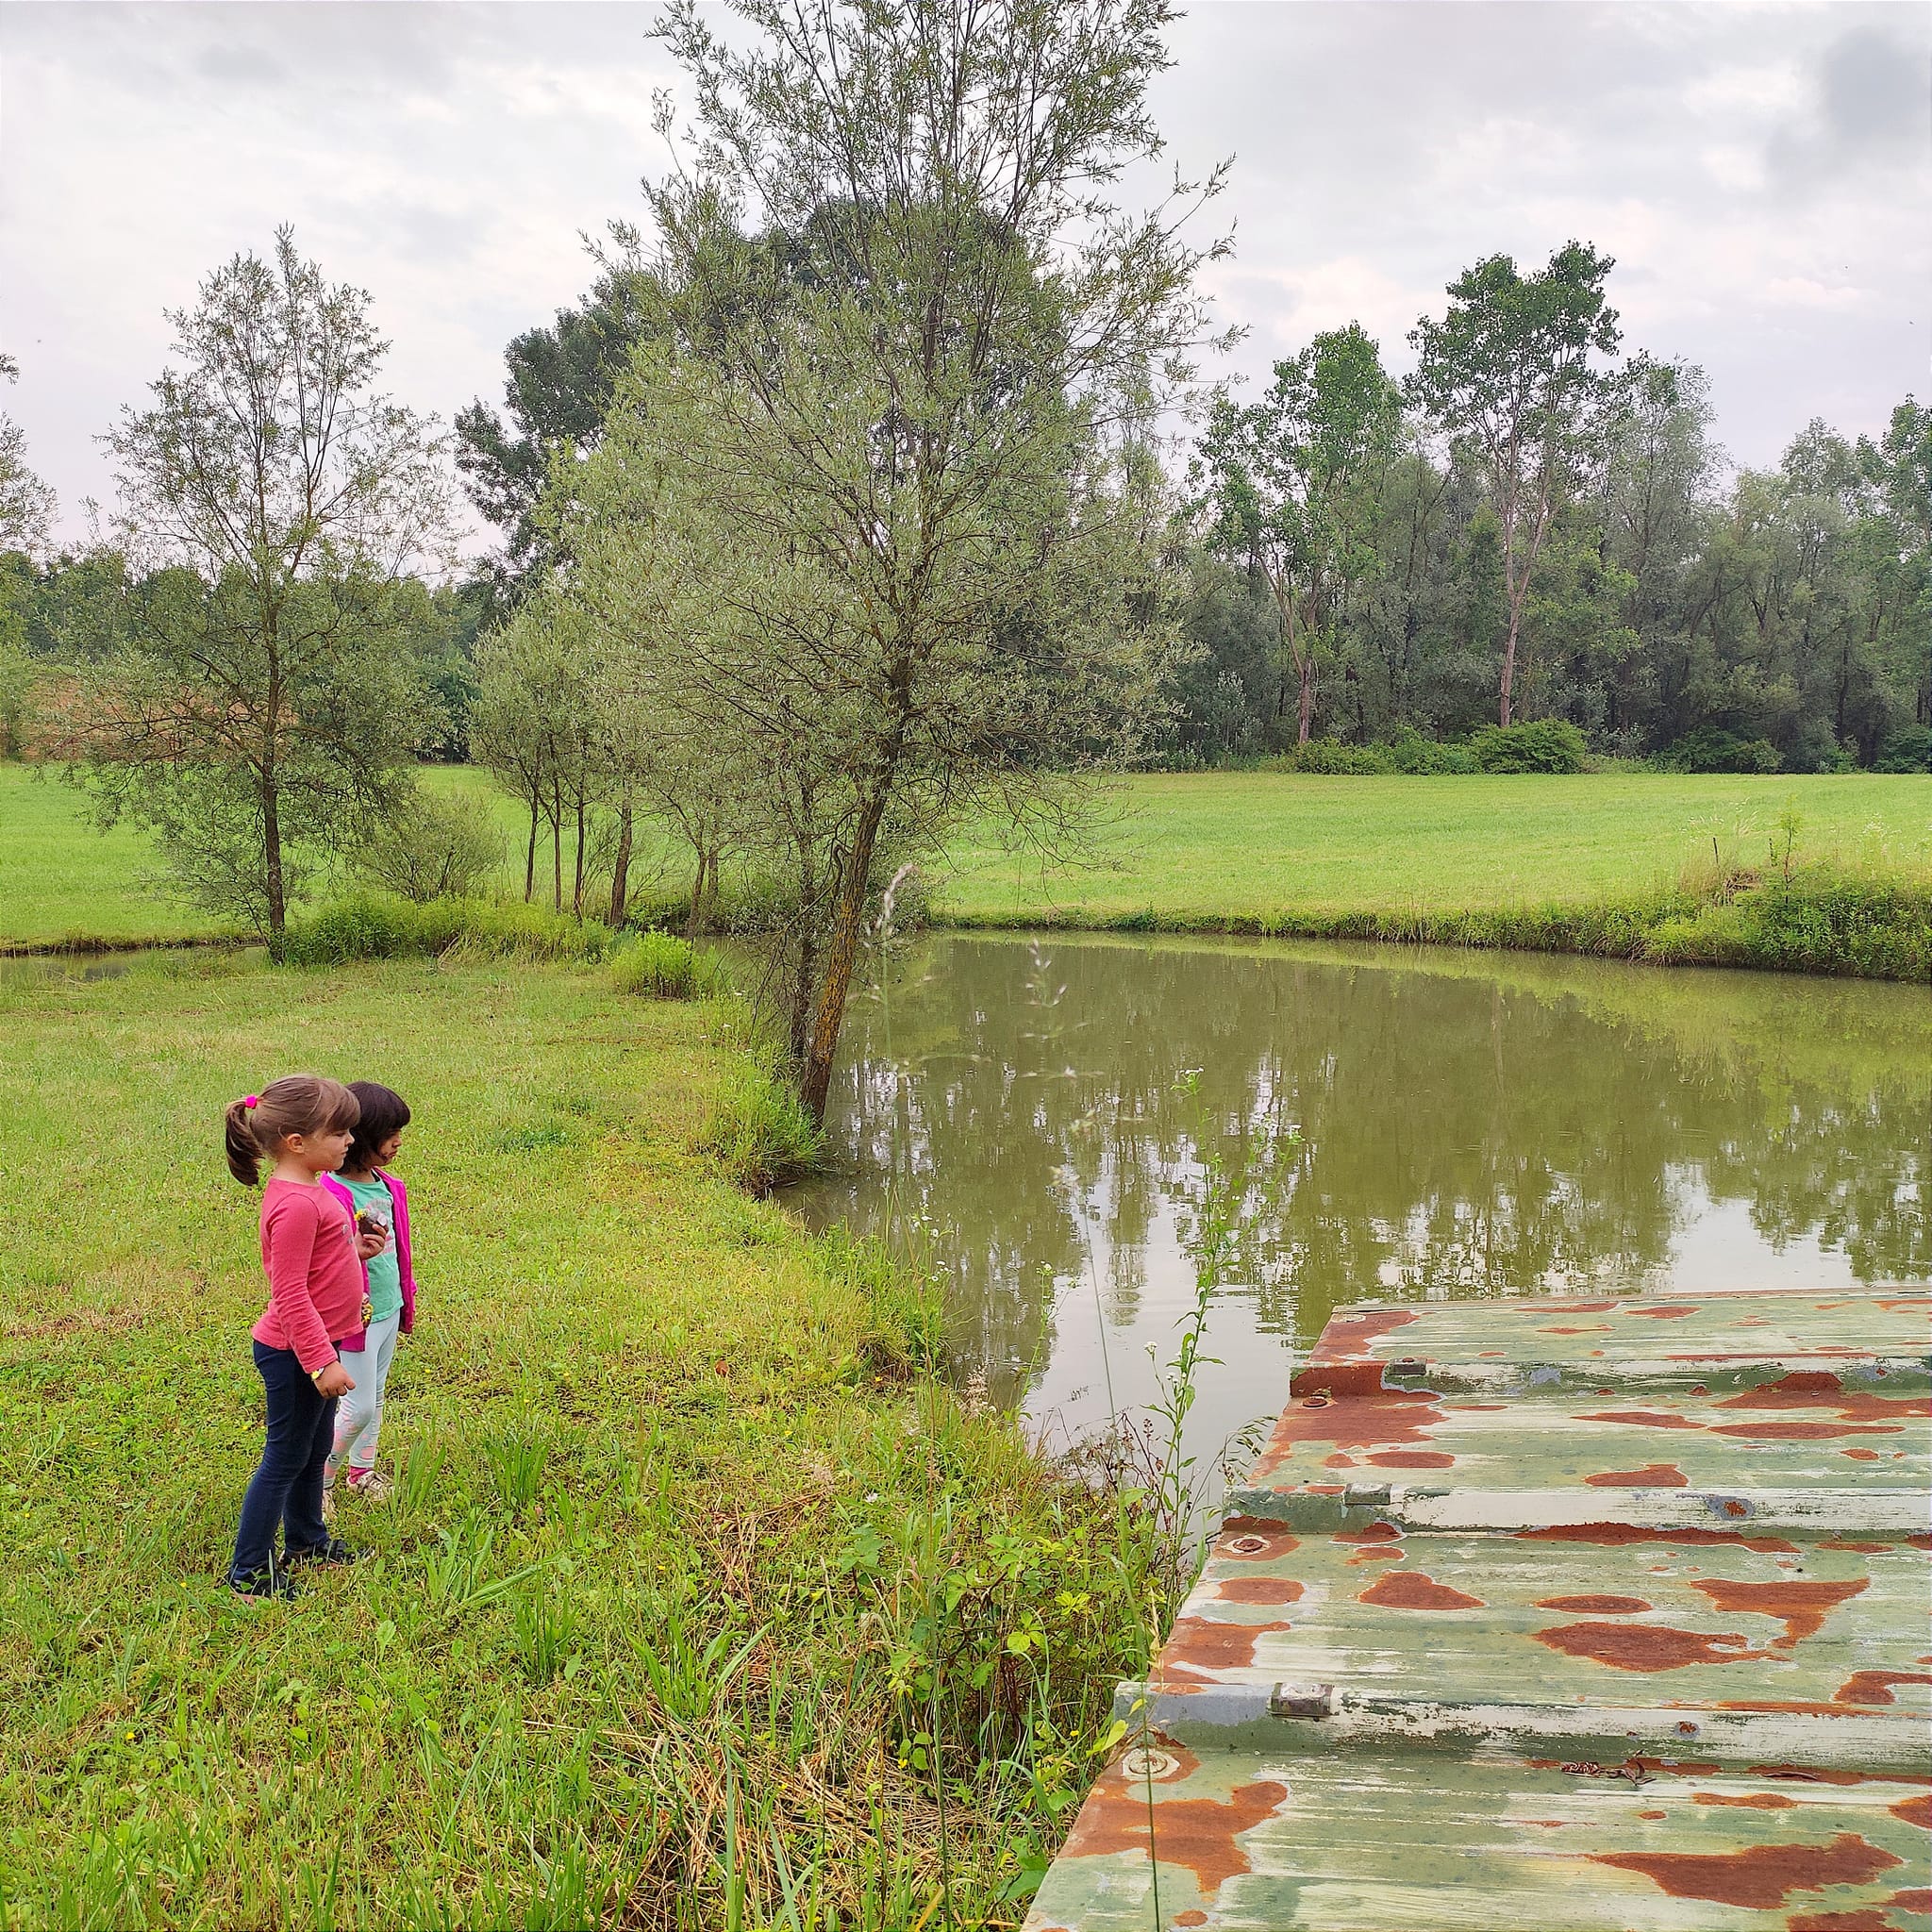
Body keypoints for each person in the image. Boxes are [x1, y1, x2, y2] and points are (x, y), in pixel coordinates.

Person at [223, 1075, 384, 1599]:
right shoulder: (295, 1205)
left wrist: (352, 1251)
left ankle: (308, 1542)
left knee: (314, 1451)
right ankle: (249, 1571)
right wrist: (321, 1362)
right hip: (294, 1352)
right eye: (339, 1133)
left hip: (316, 1345)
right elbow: (289, 1293)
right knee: (285, 1458)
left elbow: (317, 1265)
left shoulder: (312, 1189)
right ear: (298, 1142)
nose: (350, 1142)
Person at [323, 1081, 418, 1505]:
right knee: (357, 1407)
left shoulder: (387, 1185)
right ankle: (317, 1481)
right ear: (358, 1137)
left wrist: (402, 1297)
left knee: (375, 1399)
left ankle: (361, 1472)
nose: (398, 1143)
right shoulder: (330, 1193)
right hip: (353, 1317)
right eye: (389, 1134)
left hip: (387, 1307)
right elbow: (323, 1259)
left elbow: (400, 1249)